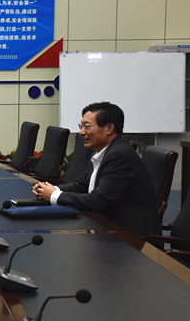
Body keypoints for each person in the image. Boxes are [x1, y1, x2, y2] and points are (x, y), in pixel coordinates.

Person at [32, 102, 159, 237]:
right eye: (81, 126)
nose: (81, 132)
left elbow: (98, 201)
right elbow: (82, 185)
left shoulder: (119, 156)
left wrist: (55, 196)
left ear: (109, 128)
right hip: (107, 227)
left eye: (87, 126)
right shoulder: (102, 151)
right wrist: (51, 189)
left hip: (130, 238)